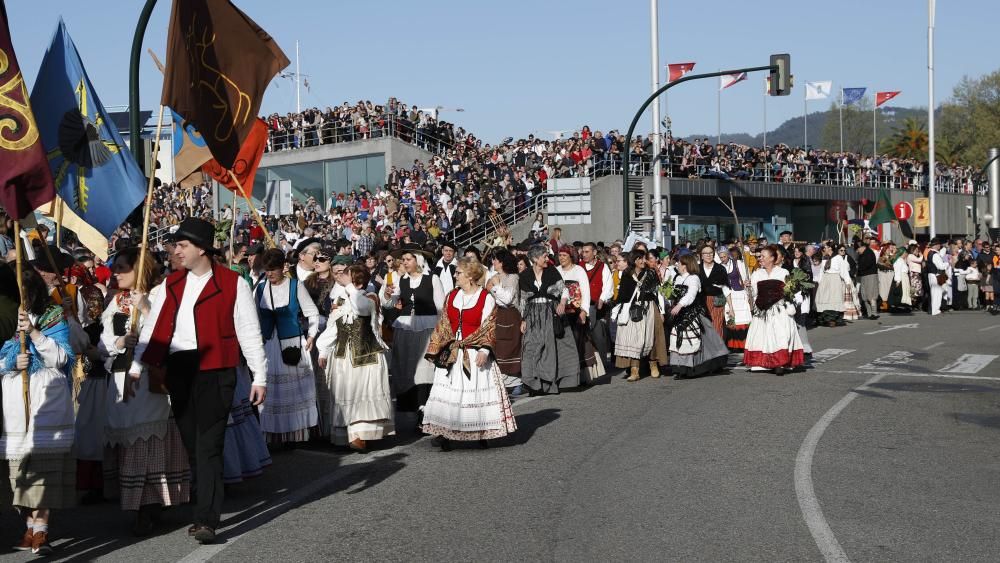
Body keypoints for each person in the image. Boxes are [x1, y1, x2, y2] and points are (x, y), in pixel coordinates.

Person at [130, 218, 268, 544]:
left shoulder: (234, 283)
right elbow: (152, 328)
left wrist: (259, 376)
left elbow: (249, 332)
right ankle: (202, 504)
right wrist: (137, 365)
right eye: (176, 245)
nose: (175, 251)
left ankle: (206, 519)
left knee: (209, 446)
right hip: (179, 368)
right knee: (192, 445)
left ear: (202, 249)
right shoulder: (170, 284)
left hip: (216, 370)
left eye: (182, 245)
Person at [102, 247, 190, 536]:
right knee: (128, 441)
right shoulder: (114, 301)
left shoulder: (158, 295)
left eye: (123, 268)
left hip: (149, 382)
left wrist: (147, 310)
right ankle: (135, 503)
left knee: (148, 439)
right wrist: (118, 342)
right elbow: (103, 342)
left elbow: (174, 333)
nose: (116, 273)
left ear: (140, 270)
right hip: (119, 378)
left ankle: (149, 507)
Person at [0, 269, 76, 555]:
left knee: (45, 469)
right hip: (14, 403)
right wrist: (10, 363)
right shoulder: (4, 319)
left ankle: (41, 529)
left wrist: (33, 333)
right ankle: (29, 525)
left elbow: (61, 357)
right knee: (20, 473)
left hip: (47, 400)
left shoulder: (52, 315)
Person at [422, 257, 516, 450]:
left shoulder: (486, 297)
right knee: (448, 393)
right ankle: (445, 432)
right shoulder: (452, 296)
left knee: (474, 393)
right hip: (453, 352)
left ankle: (479, 431)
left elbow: (488, 326)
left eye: (458, 273)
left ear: (471, 276)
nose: (455, 276)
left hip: (474, 353)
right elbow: (444, 324)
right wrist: (436, 348)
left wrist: (484, 350)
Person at [316, 264, 395, 451]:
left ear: (356, 280)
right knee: (347, 394)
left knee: (362, 392)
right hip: (343, 357)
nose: (343, 278)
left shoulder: (370, 298)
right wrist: (323, 350)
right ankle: (350, 435)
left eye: (348, 276)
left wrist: (350, 287)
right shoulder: (341, 299)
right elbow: (333, 326)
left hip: (367, 355)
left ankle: (361, 435)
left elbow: (360, 309)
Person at [254, 248, 320, 444]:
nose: (270, 274)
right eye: (267, 270)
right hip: (269, 345)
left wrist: (311, 335)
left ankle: (295, 435)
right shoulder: (260, 288)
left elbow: (312, 312)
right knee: (271, 390)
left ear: (283, 267)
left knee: (295, 389)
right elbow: (254, 318)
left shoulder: (295, 286)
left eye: (273, 269)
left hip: (291, 343)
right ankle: (272, 436)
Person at [383, 246, 444, 427]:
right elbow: (389, 304)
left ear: (418, 260)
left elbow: (441, 308)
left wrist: (440, 334)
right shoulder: (402, 280)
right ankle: (415, 408)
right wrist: (387, 295)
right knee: (408, 370)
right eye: (403, 260)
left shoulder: (432, 279)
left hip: (427, 329)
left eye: (408, 259)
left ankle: (426, 407)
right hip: (406, 330)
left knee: (425, 370)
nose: (404, 263)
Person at [519, 245, 579, 393]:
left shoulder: (551, 271)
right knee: (531, 348)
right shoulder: (525, 275)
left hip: (551, 313)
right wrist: (523, 319)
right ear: (535, 259)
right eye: (544, 257)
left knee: (552, 348)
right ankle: (533, 383)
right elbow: (523, 300)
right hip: (533, 316)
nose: (547, 259)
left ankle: (551, 383)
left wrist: (562, 303)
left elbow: (564, 289)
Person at [743, 245, 806, 375]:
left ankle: (780, 363)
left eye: (763, 256)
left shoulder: (783, 273)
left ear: (772, 258)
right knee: (762, 336)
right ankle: (762, 363)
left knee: (780, 335)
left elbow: (789, 291)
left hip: (779, 309)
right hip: (762, 310)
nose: (760, 259)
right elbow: (753, 293)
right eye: (760, 256)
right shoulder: (757, 273)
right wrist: (748, 287)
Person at [666, 253, 729, 379]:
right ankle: (679, 368)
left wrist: (680, 305)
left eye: (680, 263)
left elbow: (691, 295)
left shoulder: (693, 278)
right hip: (679, 315)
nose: (677, 265)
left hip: (691, 313)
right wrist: (667, 294)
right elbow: (673, 294)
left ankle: (691, 368)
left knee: (691, 340)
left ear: (685, 265)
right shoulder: (677, 278)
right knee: (677, 340)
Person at [612, 249, 668, 381]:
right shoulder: (626, 274)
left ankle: (653, 364)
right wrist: (617, 306)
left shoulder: (651, 273)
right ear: (634, 260)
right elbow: (622, 295)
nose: (643, 261)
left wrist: (661, 311)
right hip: (633, 310)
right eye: (640, 258)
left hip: (649, 307)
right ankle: (634, 370)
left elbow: (658, 293)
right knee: (634, 340)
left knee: (651, 337)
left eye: (644, 258)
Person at [556, 245, 605, 385]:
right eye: (560, 255)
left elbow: (585, 292)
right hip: (560, 312)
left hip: (575, 312)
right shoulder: (556, 271)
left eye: (565, 255)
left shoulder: (579, 270)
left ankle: (581, 375)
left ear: (571, 256)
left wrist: (584, 311)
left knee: (579, 342)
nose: (562, 258)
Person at [485, 249, 523, 392]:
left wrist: (495, 286)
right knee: (499, 348)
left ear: (502, 262)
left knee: (512, 347)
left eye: (495, 260)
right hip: (497, 314)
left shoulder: (513, 277)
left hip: (511, 314)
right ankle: (503, 383)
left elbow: (507, 299)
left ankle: (515, 382)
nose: (493, 262)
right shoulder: (494, 276)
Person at [579, 242, 612, 370]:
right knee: (583, 336)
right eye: (583, 251)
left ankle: (602, 364)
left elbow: (608, 286)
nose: (584, 254)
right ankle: (586, 364)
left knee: (598, 336)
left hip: (595, 306)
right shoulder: (579, 266)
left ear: (594, 253)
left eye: (587, 252)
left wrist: (602, 299)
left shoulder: (602, 267)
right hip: (581, 306)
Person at [720, 247, 752, 351]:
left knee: (741, 319)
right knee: (731, 318)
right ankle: (733, 344)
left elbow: (746, 277)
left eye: (724, 256)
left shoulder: (738, 263)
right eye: (721, 257)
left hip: (739, 293)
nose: (723, 259)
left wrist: (747, 283)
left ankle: (743, 344)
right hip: (728, 295)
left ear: (728, 255)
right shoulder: (719, 267)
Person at [816, 245, 853, 327]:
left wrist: (847, 282)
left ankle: (832, 319)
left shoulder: (838, 258)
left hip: (835, 279)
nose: (824, 249)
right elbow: (822, 271)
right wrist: (820, 282)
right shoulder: (825, 258)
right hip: (825, 279)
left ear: (831, 248)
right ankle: (825, 319)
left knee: (834, 298)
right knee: (824, 298)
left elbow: (843, 270)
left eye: (826, 247)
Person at [698, 245, 729, 339]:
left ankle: (718, 351)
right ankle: (705, 350)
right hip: (701, 301)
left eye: (711, 253)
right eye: (705, 253)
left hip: (717, 300)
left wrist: (730, 308)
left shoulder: (720, 269)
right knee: (703, 325)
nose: (708, 255)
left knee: (717, 326)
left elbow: (726, 288)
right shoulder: (697, 269)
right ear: (701, 256)